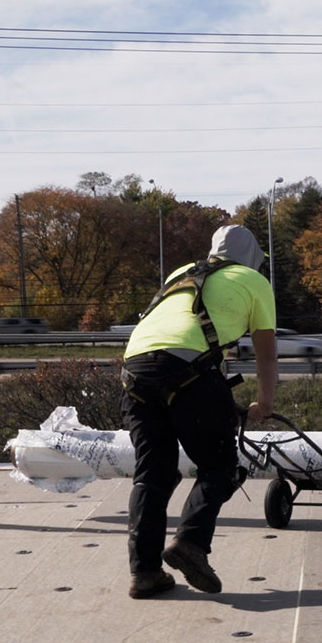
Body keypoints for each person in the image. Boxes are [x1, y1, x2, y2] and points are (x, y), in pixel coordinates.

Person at [120, 224, 278, 598]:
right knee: (220, 467)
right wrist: (265, 404)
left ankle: (144, 573)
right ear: (254, 259)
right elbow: (266, 353)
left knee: (152, 474)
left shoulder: (181, 273)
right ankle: (189, 544)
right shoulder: (254, 281)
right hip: (189, 374)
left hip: (135, 375)